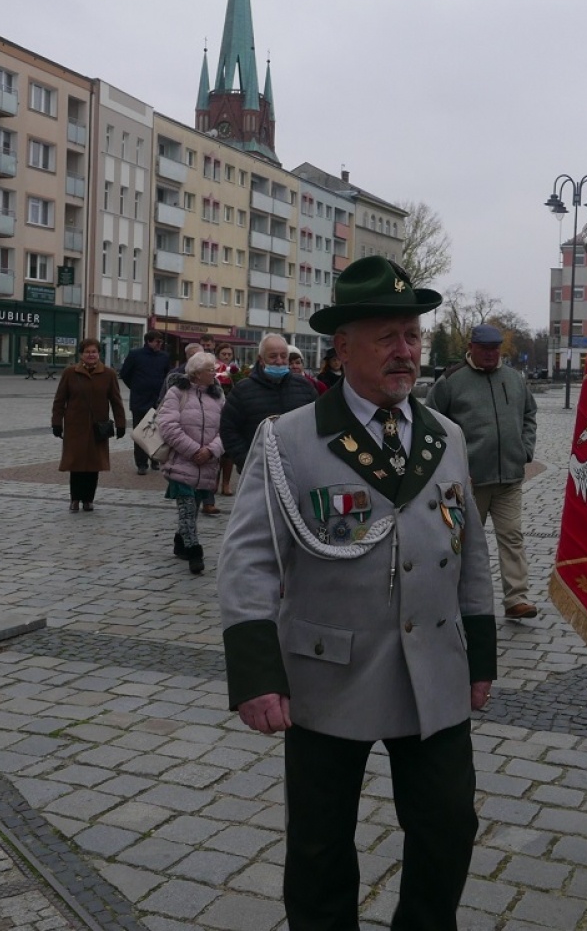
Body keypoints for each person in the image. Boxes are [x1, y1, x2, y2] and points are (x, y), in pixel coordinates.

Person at [219, 256, 496, 931]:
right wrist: (257, 673)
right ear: (341, 349)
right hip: (326, 670)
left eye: (413, 335)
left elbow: (470, 549)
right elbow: (249, 557)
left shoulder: (445, 435)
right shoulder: (289, 440)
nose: (406, 352)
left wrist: (480, 656)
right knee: (318, 846)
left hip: (433, 668)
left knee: (449, 827)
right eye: (388, 338)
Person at [431, 323, 539, 619]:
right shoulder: (452, 381)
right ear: (472, 347)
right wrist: (452, 465)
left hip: (509, 478)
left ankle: (517, 598)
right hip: (469, 481)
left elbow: (530, 414)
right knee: (461, 542)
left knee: (512, 536)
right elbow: (432, 423)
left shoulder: (514, 379)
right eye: (486, 349)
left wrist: (525, 449)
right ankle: (454, 597)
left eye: (495, 349)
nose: (491, 354)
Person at [159, 351, 225, 572]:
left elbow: (227, 428)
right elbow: (168, 427)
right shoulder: (177, 393)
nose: (214, 372)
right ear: (196, 374)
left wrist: (211, 450)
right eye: (209, 369)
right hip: (181, 461)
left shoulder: (218, 395)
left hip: (207, 464)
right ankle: (195, 550)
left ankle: (181, 541)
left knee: (193, 508)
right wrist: (194, 450)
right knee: (187, 507)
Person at [220, 334, 319, 475]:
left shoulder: (304, 387)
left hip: (299, 470)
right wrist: (247, 461)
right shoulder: (243, 390)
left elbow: (319, 422)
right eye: (273, 356)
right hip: (258, 473)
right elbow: (228, 429)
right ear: (261, 360)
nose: (279, 361)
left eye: (284, 356)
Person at [50, 337, 127, 512]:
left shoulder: (109, 374)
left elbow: (116, 401)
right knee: (75, 464)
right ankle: (75, 499)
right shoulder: (70, 373)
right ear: (81, 354)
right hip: (75, 426)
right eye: (87, 352)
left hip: (98, 428)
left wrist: (121, 424)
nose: (91, 355)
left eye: (94, 351)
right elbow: (59, 400)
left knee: (94, 465)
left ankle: (88, 499)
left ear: (99, 354)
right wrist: (57, 423)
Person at [118, 330, 172, 475]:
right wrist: (136, 386)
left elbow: (168, 375)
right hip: (140, 399)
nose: (160, 344)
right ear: (148, 341)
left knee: (158, 432)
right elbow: (124, 374)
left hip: (158, 400)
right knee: (141, 432)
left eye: (161, 342)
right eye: (157, 342)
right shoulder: (136, 355)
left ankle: (155, 459)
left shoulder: (164, 357)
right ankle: (141, 463)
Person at [213, 343, 243, 496]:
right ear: (218, 354)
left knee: (228, 452)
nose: (226, 356)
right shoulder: (212, 369)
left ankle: (226, 483)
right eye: (223, 353)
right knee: (216, 451)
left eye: (229, 354)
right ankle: (215, 482)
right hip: (216, 412)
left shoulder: (235, 371)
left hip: (231, 412)